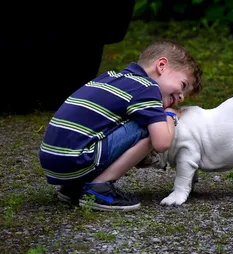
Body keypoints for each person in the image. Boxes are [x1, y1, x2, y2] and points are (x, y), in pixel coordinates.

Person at [39, 39, 203, 211]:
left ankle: (73, 188)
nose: (181, 98)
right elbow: (161, 143)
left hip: (53, 161)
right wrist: (169, 115)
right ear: (161, 65)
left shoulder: (110, 78)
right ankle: (99, 188)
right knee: (150, 126)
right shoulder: (147, 89)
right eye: (183, 85)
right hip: (77, 159)